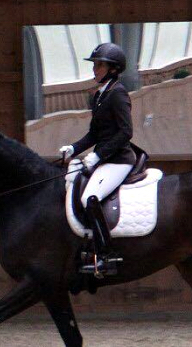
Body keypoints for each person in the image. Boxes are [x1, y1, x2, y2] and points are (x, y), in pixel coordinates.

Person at [59, 42, 136, 277]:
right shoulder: (99, 97)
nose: (94, 70)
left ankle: (106, 255)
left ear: (113, 68)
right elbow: (94, 134)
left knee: (90, 198)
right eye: (95, 65)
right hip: (104, 160)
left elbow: (125, 132)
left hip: (120, 160)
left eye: (99, 65)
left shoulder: (118, 94)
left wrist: (98, 155)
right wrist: (73, 148)